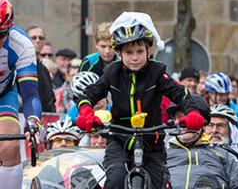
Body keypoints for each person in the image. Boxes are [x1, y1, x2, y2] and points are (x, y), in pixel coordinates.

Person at [75, 12, 205, 189]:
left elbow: (179, 93)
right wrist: (85, 112)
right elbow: (89, 94)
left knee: (160, 184)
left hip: (152, 140)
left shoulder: (157, 72)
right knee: (115, 180)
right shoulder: (111, 73)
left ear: (149, 51)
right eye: (128, 52)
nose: (134, 57)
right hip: (119, 139)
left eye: (139, 51)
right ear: (118, 53)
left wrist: (193, 112)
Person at [0, 0, 43, 189]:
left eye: (0, 35)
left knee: (9, 145)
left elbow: (30, 94)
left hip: (3, 94)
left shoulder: (21, 44)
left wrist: (33, 122)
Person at [166, 94, 238, 188]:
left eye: (190, 118)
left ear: (203, 123)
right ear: (173, 122)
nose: (184, 123)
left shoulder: (224, 156)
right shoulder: (161, 155)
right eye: (179, 118)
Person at [205, 72, 238, 140]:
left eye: (226, 94)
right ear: (210, 92)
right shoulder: (199, 108)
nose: (224, 98)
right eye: (221, 94)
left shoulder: (237, 111)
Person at [26, 26, 56, 112]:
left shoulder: (44, 70)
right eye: (34, 38)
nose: (38, 40)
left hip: (46, 119)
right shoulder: (19, 66)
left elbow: (50, 100)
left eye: (41, 38)